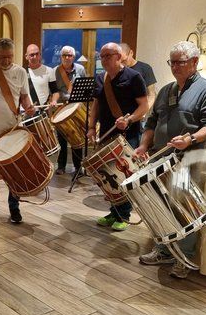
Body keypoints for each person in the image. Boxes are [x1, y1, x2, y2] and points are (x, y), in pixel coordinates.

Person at [134, 41, 206, 278]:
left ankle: (184, 257)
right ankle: (164, 250)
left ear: (194, 62)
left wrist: (191, 139)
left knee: (184, 209)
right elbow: (151, 122)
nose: (174, 67)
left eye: (179, 62)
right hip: (159, 159)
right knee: (159, 206)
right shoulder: (166, 90)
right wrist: (143, 145)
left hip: (188, 159)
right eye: (171, 62)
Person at [86, 42, 148, 231]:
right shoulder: (100, 78)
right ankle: (114, 212)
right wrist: (91, 127)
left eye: (108, 56)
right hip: (107, 133)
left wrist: (129, 120)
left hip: (128, 134)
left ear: (119, 56)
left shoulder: (134, 77)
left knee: (125, 175)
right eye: (102, 56)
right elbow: (96, 105)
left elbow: (144, 106)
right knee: (109, 175)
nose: (104, 60)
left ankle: (124, 215)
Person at [0, 38, 36, 225]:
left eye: (9, 57)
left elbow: (24, 97)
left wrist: (29, 107)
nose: (6, 61)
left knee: (14, 172)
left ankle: (14, 208)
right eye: (2, 57)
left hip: (12, 131)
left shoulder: (20, 72)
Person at [54, 45, 86, 177]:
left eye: (69, 55)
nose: (67, 58)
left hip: (75, 108)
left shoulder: (80, 69)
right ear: (61, 57)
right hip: (62, 108)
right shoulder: (56, 71)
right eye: (64, 55)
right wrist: (55, 100)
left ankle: (78, 167)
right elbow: (54, 90)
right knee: (62, 138)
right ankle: (61, 166)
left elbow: (84, 88)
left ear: (73, 57)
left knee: (76, 138)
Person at [121, 42, 157, 112]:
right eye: (120, 61)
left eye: (124, 60)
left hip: (140, 111)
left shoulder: (145, 68)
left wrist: (143, 111)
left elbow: (151, 95)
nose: (123, 64)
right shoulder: (119, 70)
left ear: (131, 53)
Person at [25, 44, 59, 109]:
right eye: (32, 55)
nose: (35, 57)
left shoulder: (49, 70)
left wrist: (54, 101)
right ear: (26, 56)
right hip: (26, 111)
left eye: (37, 54)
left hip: (43, 110)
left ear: (40, 55)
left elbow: (55, 91)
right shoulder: (22, 72)